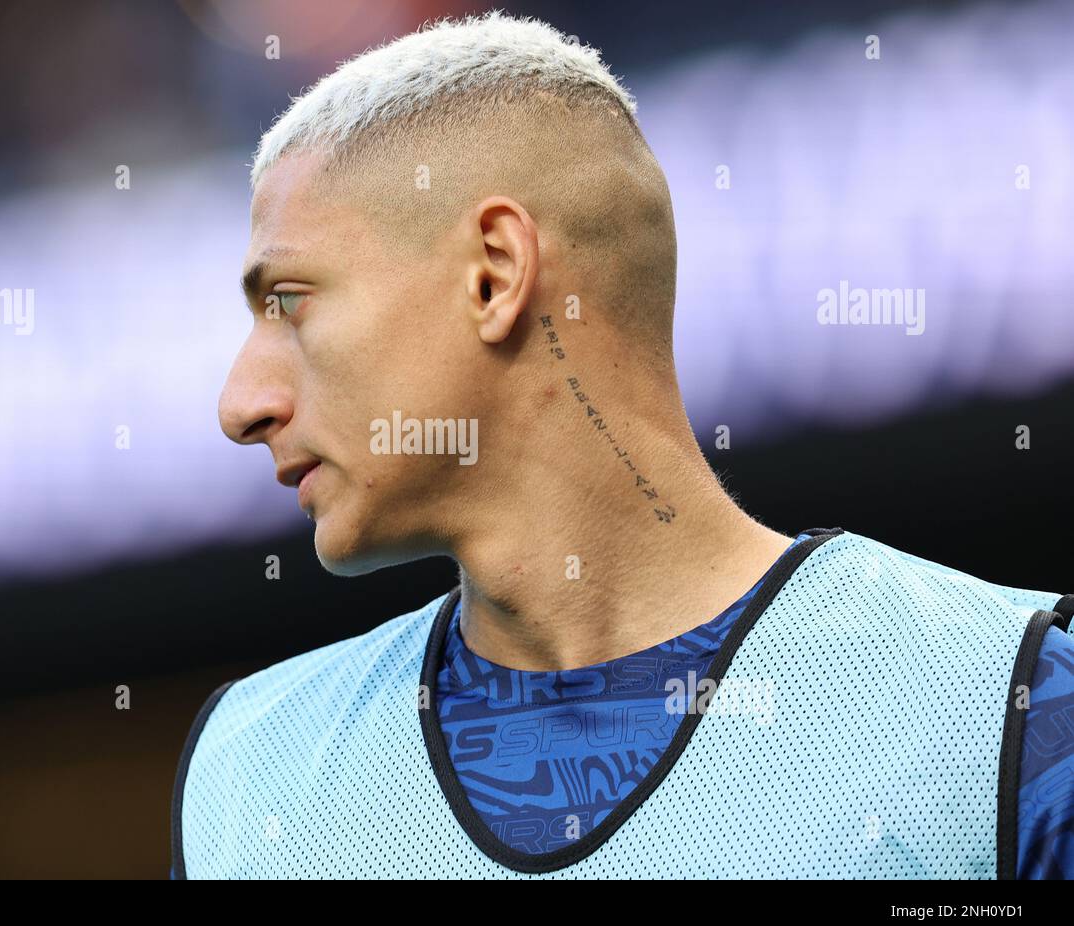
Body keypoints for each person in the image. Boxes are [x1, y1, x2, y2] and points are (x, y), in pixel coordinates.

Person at [173, 11, 1073, 878]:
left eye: (287, 301)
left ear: (494, 274)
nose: (240, 405)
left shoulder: (1012, 702)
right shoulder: (246, 775)